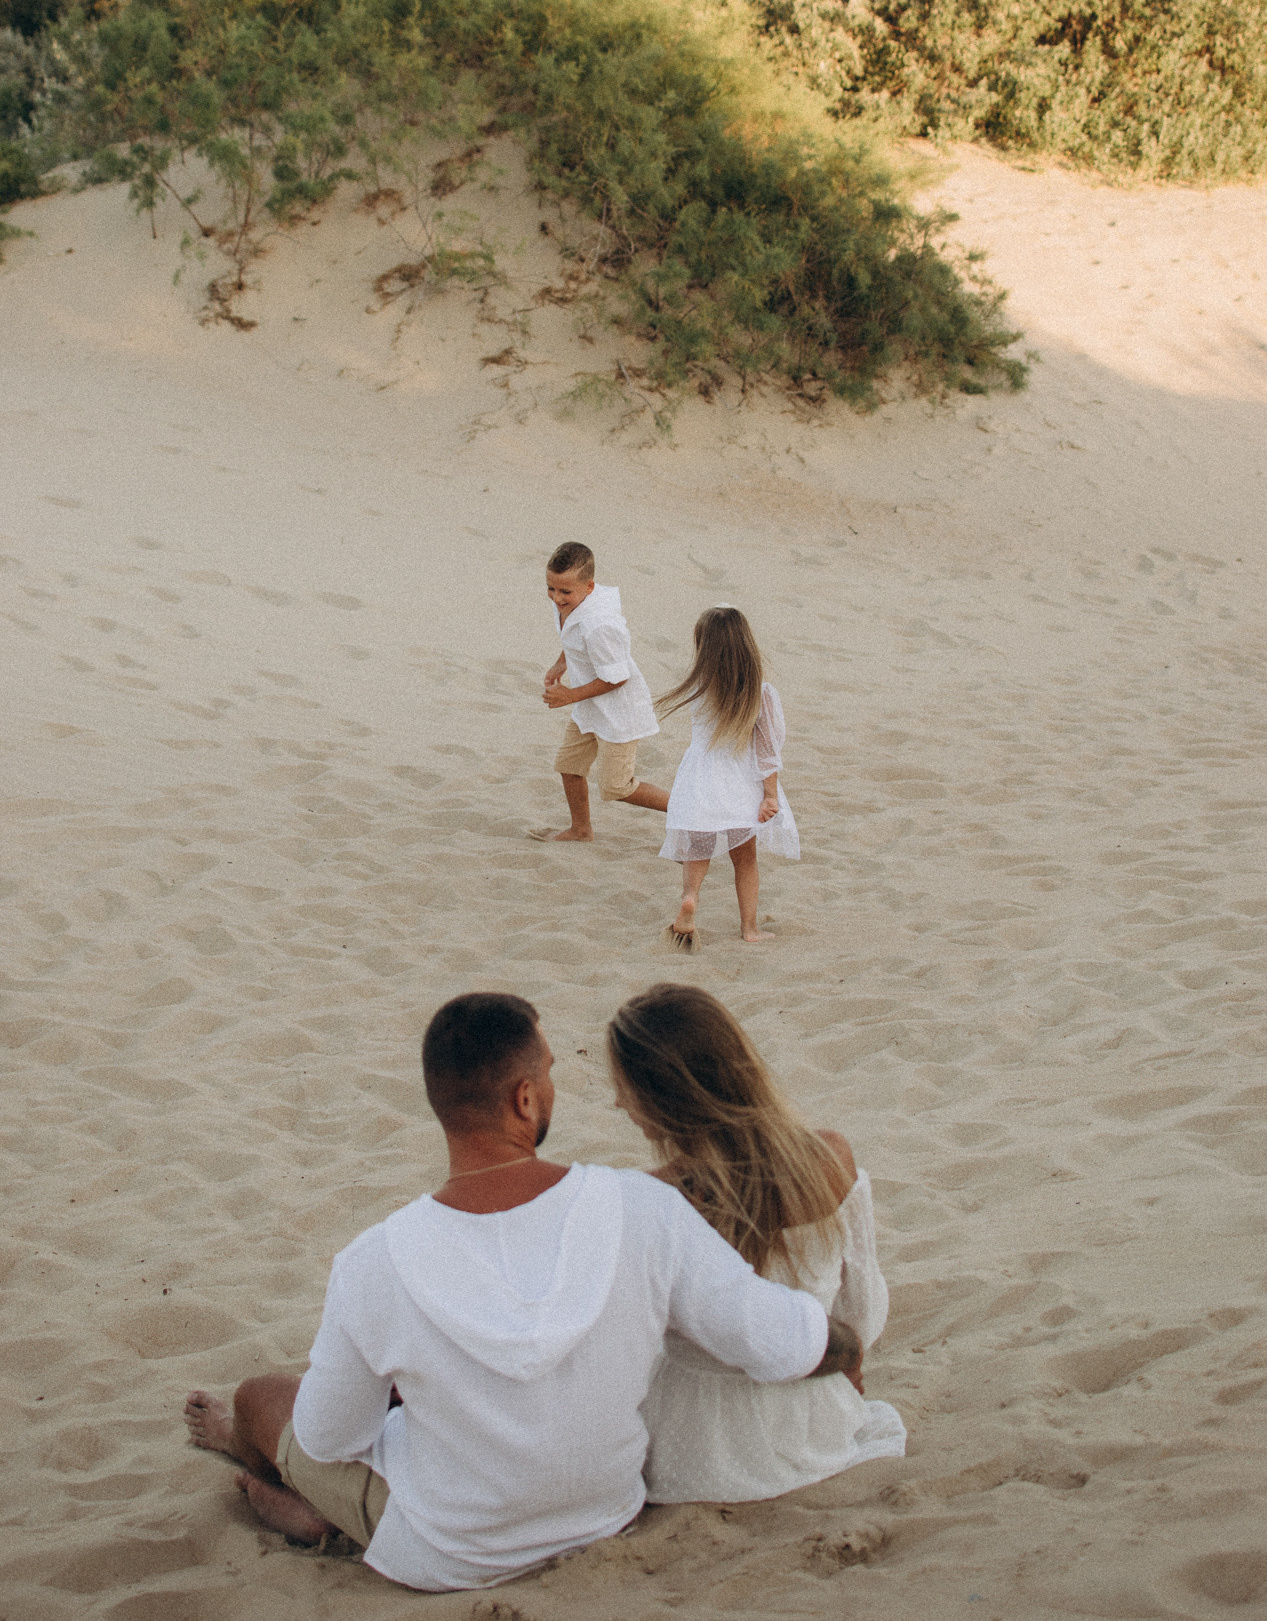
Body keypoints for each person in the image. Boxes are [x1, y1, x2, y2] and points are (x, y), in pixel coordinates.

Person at [183, 991, 864, 1592]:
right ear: (524, 1099)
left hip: (452, 1552)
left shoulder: (373, 1260)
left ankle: (289, 1493)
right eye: (550, 1072)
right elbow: (776, 1339)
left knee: (261, 1400)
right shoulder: (640, 1207)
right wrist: (842, 1345)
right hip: (605, 1513)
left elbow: (332, 1436)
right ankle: (318, 1506)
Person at [607, 983, 907, 1503]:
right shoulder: (828, 1161)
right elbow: (863, 1313)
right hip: (811, 1423)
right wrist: (845, 1356)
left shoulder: (650, 1200)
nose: (618, 1102)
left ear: (658, 1100)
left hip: (691, 1448)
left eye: (625, 1089)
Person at [658, 605, 799, 947]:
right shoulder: (759, 693)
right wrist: (769, 796)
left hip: (699, 779)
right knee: (745, 859)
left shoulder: (699, 688)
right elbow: (767, 752)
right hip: (740, 784)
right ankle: (749, 928)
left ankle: (690, 897)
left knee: (698, 850)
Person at [530, 540, 668, 843]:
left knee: (616, 787)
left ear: (589, 587)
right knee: (569, 766)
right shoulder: (570, 603)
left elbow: (617, 677)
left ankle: (688, 810)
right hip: (589, 707)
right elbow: (573, 639)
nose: (556, 598)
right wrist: (560, 664)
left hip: (618, 711)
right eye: (551, 589)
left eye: (565, 592)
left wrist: (569, 695)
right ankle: (581, 830)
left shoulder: (600, 624)